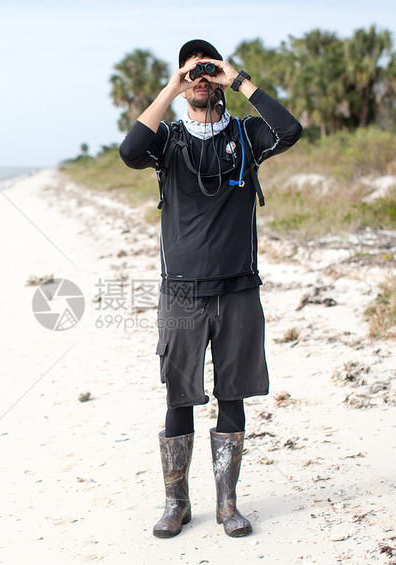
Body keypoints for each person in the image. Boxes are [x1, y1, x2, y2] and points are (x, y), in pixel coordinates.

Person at [119, 39, 302, 538]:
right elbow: (130, 151)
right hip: (180, 291)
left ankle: (227, 502)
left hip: (239, 288)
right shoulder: (169, 140)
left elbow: (290, 130)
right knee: (179, 397)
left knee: (233, 393)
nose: (200, 79)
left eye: (207, 69)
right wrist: (171, 88)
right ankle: (175, 503)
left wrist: (237, 79)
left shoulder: (245, 135)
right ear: (181, 80)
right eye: (191, 72)